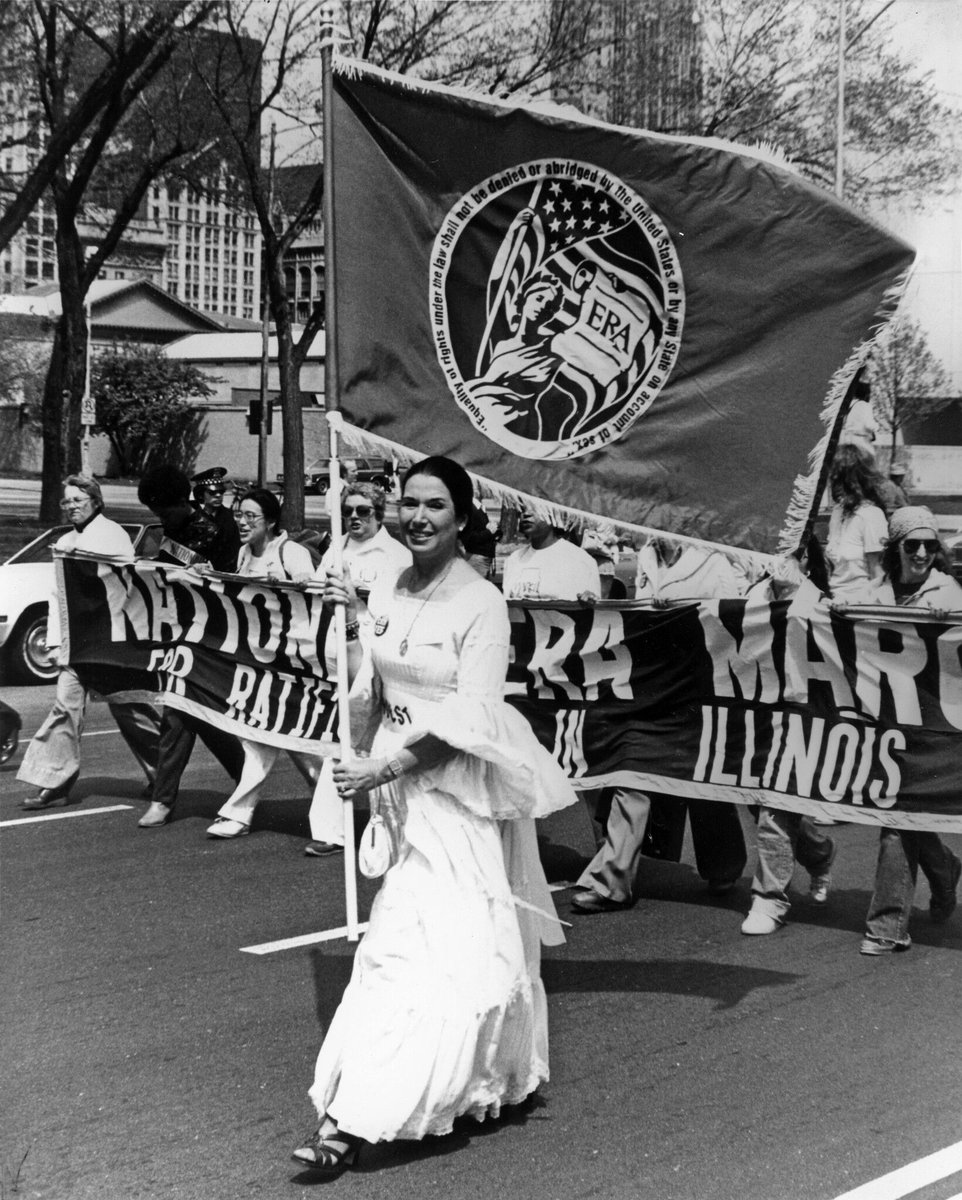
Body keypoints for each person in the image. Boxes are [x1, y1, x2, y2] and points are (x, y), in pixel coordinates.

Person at [292, 455, 578, 1174]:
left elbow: (466, 720)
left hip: (452, 796)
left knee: (414, 948)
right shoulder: (389, 579)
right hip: (394, 792)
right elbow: (378, 680)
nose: (418, 517)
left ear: (462, 518)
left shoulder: (481, 603)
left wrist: (385, 764)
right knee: (419, 948)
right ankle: (404, 1093)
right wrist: (355, 624)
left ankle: (357, 1117)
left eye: (436, 507)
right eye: (409, 503)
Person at [847, 506, 962, 954]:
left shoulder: (949, 594)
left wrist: (943, 621)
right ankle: (944, 867)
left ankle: (886, 926)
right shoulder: (872, 593)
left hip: (934, 730)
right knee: (904, 812)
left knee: (897, 817)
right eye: (911, 545)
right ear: (895, 548)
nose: (920, 553)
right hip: (887, 725)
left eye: (929, 546)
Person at [17, 475, 161, 808]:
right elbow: (59, 597)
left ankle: (164, 774)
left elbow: (122, 587)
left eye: (77, 501)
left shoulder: (113, 537)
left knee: (130, 711)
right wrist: (55, 641)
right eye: (65, 502)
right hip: (76, 645)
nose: (71, 508)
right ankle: (55, 783)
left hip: (109, 644)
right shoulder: (65, 544)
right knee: (64, 709)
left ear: (95, 501)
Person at [205, 489, 319, 840]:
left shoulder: (292, 553)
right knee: (256, 738)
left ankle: (333, 808)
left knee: (304, 747)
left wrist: (295, 585)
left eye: (250, 516)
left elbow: (316, 603)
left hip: (296, 663)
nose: (241, 522)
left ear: (270, 521)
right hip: (259, 661)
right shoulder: (243, 554)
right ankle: (239, 815)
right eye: (239, 514)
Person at [305, 483, 411, 856]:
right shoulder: (336, 547)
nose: (354, 517)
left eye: (363, 511)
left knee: (360, 741)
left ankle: (338, 829)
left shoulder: (395, 556)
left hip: (371, 660)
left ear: (379, 515)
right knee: (341, 740)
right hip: (334, 657)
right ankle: (337, 827)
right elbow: (316, 592)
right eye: (348, 510)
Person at [137, 464, 245, 828]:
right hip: (178, 631)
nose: (161, 519)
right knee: (200, 716)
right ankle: (247, 782)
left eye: (165, 511)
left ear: (181, 502)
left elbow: (217, 581)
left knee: (177, 713)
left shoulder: (210, 529)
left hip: (210, 633)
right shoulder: (174, 526)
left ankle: (163, 799)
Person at [741, 537, 837, 935]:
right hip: (761, 712)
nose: (778, 564)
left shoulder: (822, 603)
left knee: (775, 805)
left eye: (789, 556)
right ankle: (819, 854)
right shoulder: (753, 596)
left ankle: (769, 899)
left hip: (805, 714)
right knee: (759, 802)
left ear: (804, 561)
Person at [825, 444, 888, 601]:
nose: (833, 484)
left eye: (838, 479)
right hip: (833, 602)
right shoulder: (838, 512)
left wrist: (853, 601)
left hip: (860, 606)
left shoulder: (871, 515)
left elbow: (879, 575)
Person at [501, 506, 600, 601]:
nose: (526, 514)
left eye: (536, 508)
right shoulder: (513, 560)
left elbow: (590, 607)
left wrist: (589, 597)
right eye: (523, 509)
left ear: (555, 515)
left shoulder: (580, 560)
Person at [191, 466, 241, 564]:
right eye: (212, 492)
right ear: (200, 494)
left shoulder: (229, 518)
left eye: (221, 492)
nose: (218, 495)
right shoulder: (194, 516)